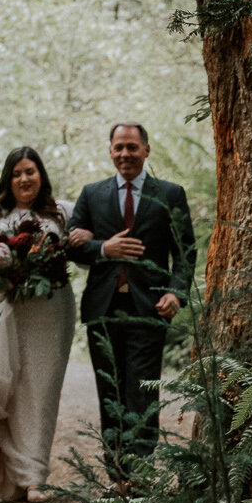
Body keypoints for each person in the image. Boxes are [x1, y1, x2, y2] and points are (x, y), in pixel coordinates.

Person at [65, 122, 196, 484]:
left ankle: (140, 472)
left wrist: (176, 292)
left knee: (141, 389)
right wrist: (103, 247)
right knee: (110, 388)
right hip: (102, 310)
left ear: (146, 150)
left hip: (149, 308)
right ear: (110, 151)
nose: (125, 154)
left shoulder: (170, 194)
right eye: (119, 147)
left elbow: (184, 251)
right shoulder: (92, 194)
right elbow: (71, 245)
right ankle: (116, 475)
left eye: (132, 147)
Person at [0, 146, 77, 502]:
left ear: (41, 175)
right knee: (3, 388)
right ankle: (8, 475)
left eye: (31, 171)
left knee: (40, 391)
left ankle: (35, 476)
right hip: (3, 311)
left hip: (51, 314)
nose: (25, 179)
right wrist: (0, 276)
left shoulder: (62, 213)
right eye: (17, 173)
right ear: (8, 179)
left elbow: (82, 256)